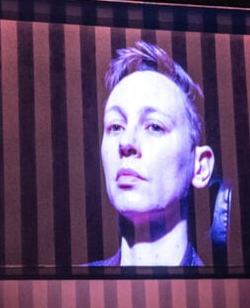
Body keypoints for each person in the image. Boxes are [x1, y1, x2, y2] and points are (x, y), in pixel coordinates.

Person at [87, 40, 215, 266]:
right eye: (116, 126)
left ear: (200, 167)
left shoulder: (231, 299)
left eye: (155, 126)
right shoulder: (68, 296)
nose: (126, 142)